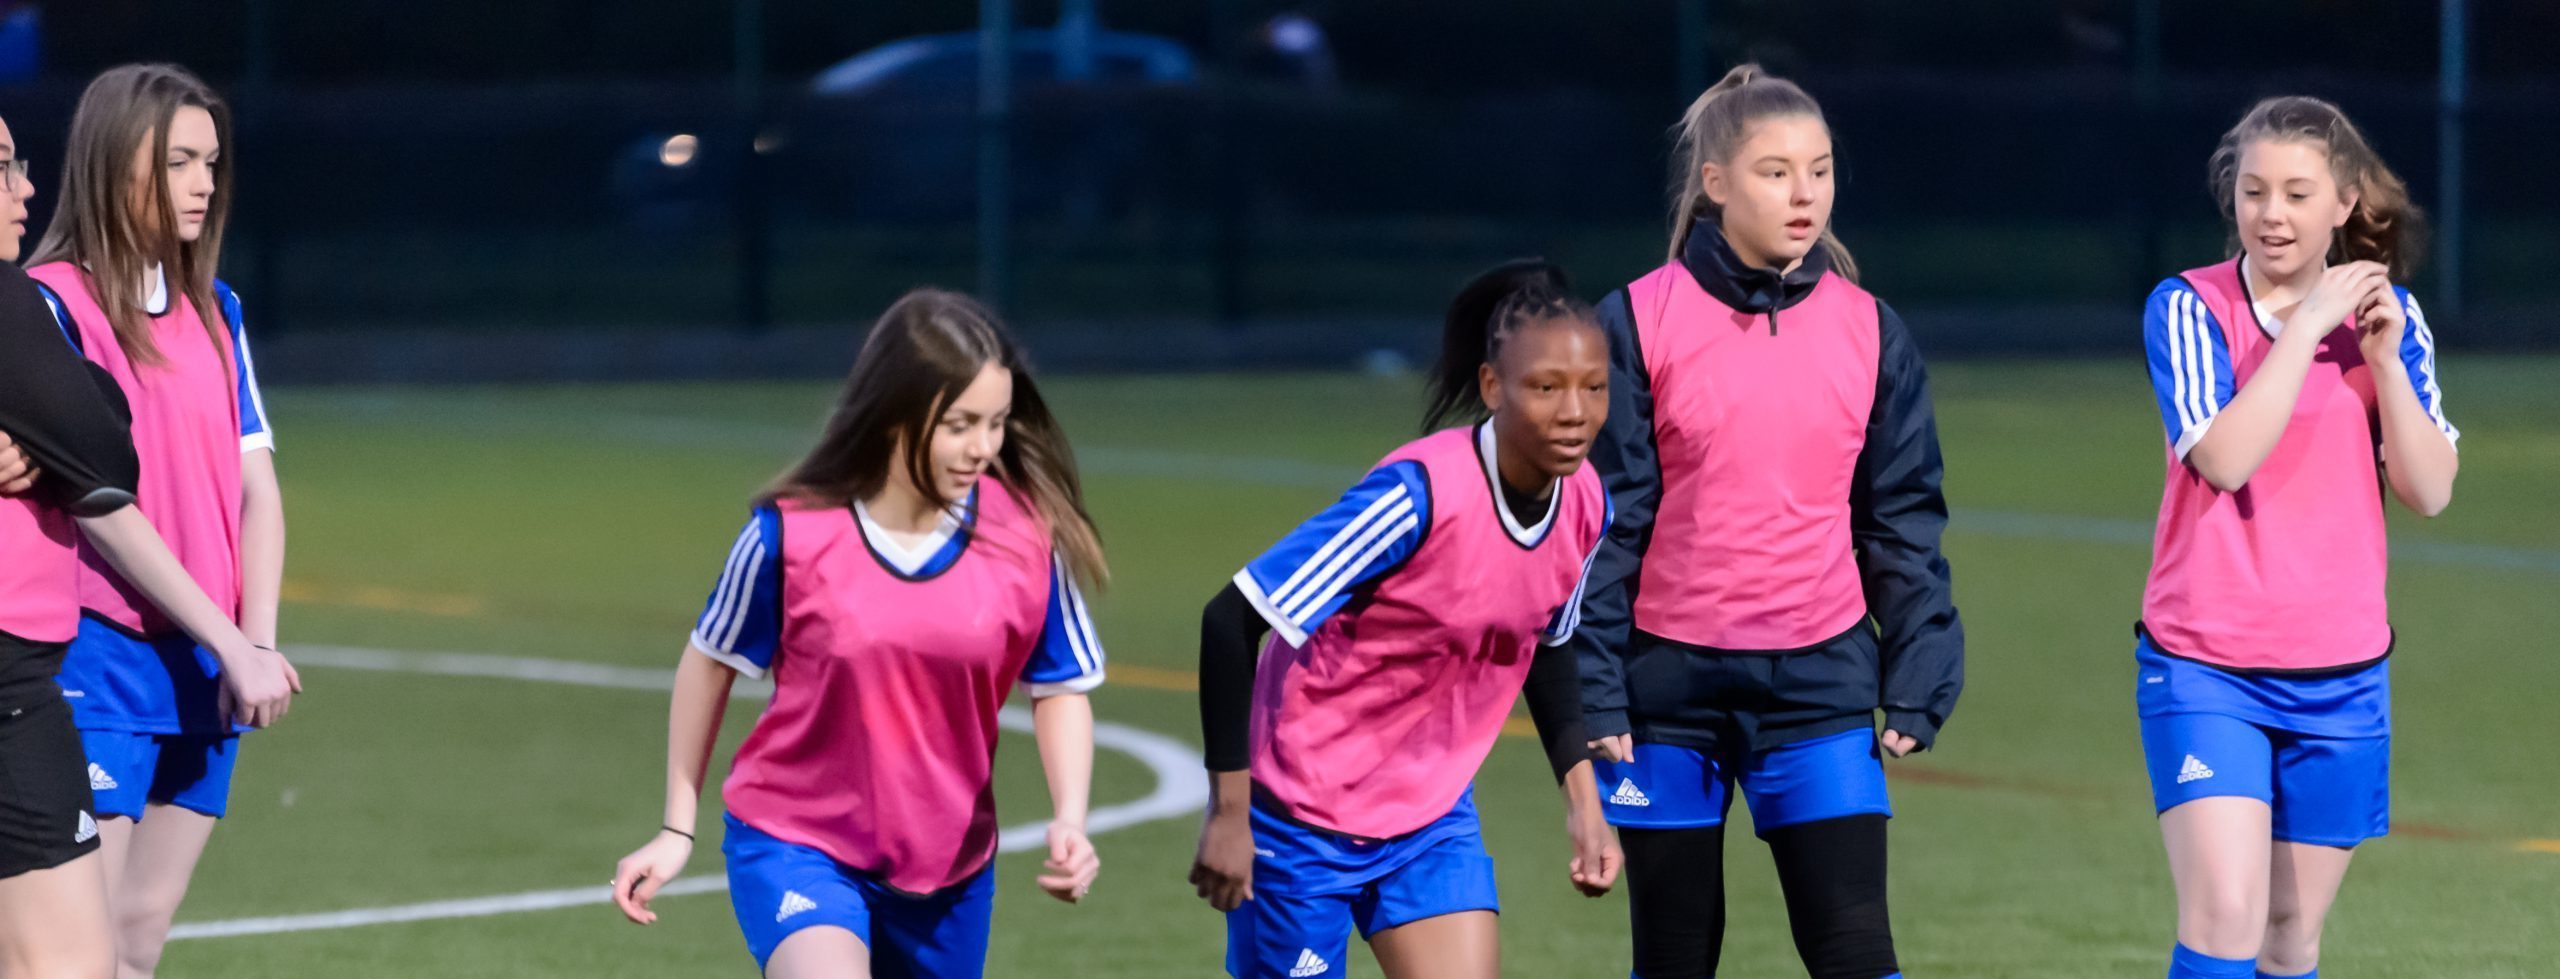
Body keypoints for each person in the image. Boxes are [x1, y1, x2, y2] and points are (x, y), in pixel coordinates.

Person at [1572, 64, 1963, 979]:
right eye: (1775, 171)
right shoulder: (1634, 320)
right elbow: (1602, 526)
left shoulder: (1872, 329)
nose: (1804, 194)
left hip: (1819, 685)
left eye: (1820, 170)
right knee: (1673, 957)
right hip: (1664, 695)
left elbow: (1901, 516)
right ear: (1715, 184)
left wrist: (1920, 665)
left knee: (1858, 949)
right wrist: (1595, 691)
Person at [612, 289, 1107, 978]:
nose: (984, 447)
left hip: (948, 870)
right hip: (796, 840)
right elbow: (709, 661)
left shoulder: (1026, 538)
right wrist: (676, 825)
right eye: (960, 424)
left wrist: (1071, 819)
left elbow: (1059, 685)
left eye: (996, 423)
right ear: (894, 414)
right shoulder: (790, 535)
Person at [1190, 260, 1621, 979]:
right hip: (1300, 816)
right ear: (1493, 387)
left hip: (1428, 816)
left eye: (1593, 387)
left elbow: (1545, 643)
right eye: (1546, 387)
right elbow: (1231, 620)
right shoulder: (1418, 495)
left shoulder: (1585, 503)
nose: (1574, 411)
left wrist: (1585, 803)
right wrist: (1230, 815)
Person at [2135, 96, 2455, 979]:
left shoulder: (2394, 322)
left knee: (2288, 935)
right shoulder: (2189, 308)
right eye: (2253, 192)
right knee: (2223, 916)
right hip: (2207, 665)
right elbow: (2228, 457)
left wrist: (2384, 362)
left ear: (2344, 203)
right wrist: (2308, 326)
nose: (2271, 214)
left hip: (2342, 674)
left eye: (2298, 194)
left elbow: (2429, 491)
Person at [0, 104, 289, 979]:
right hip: (97, 652)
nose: (204, 182)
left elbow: (254, 485)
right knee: (68, 950)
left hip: (203, 662)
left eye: (211, 160)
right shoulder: (46, 297)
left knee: (132, 942)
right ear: (118, 168)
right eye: (178, 161)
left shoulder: (216, 308)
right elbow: (103, 474)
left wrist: (254, 637)